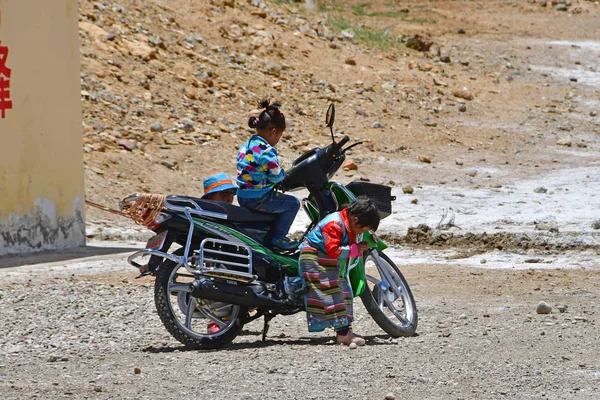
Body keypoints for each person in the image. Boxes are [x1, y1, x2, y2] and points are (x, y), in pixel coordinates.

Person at [299, 198, 380, 346]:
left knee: (344, 292)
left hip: (326, 259)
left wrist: (356, 246)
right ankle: (343, 334)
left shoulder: (346, 222)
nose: (361, 233)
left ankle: (344, 331)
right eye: (362, 230)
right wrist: (355, 249)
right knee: (332, 293)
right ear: (355, 220)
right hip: (315, 258)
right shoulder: (334, 224)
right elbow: (334, 249)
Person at [236, 99, 300, 250]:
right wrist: (284, 176)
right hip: (260, 198)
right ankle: (278, 238)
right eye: (279, 136)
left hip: (243, 195)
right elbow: (276, 175)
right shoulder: (266, 151)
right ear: (273, 132)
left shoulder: (247, 146)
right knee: (293, 204)